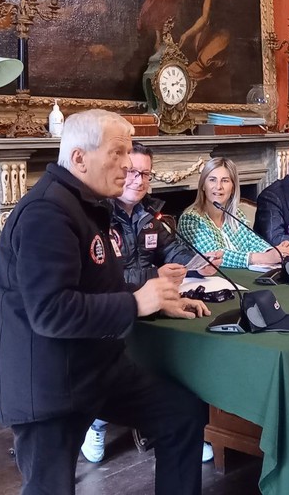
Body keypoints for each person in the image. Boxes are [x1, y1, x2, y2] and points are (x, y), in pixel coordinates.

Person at [0, 109, 210, 495]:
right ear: (79, 158)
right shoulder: (47, 213)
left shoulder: (89, 204)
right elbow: (50, 312)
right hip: (49, 385)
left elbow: (95, 286)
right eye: (117, 153)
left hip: (96, 369)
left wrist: (156, 300)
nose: (128, 164)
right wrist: (136, 303)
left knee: (181, 413)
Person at [81, 142, 220, 465]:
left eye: (145, 174)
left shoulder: (150, 216)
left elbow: (172, 251)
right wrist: (154, 274)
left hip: (153, 303)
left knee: (194, 338)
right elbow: (106, 275)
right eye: (132, 172)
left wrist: (198, 263)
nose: (138, 180)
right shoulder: (99, 216)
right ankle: (97, 422)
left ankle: (190, 426)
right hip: (114, 308)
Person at [178, 157, 289, 268]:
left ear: (233, 187)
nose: (218, 186)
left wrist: (276, 251)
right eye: (212, 180)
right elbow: (213, 256)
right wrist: (263, 258)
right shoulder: (190, 219)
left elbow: (252, 241)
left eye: (225, 180)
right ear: (203, 185)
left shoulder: (235, 214)